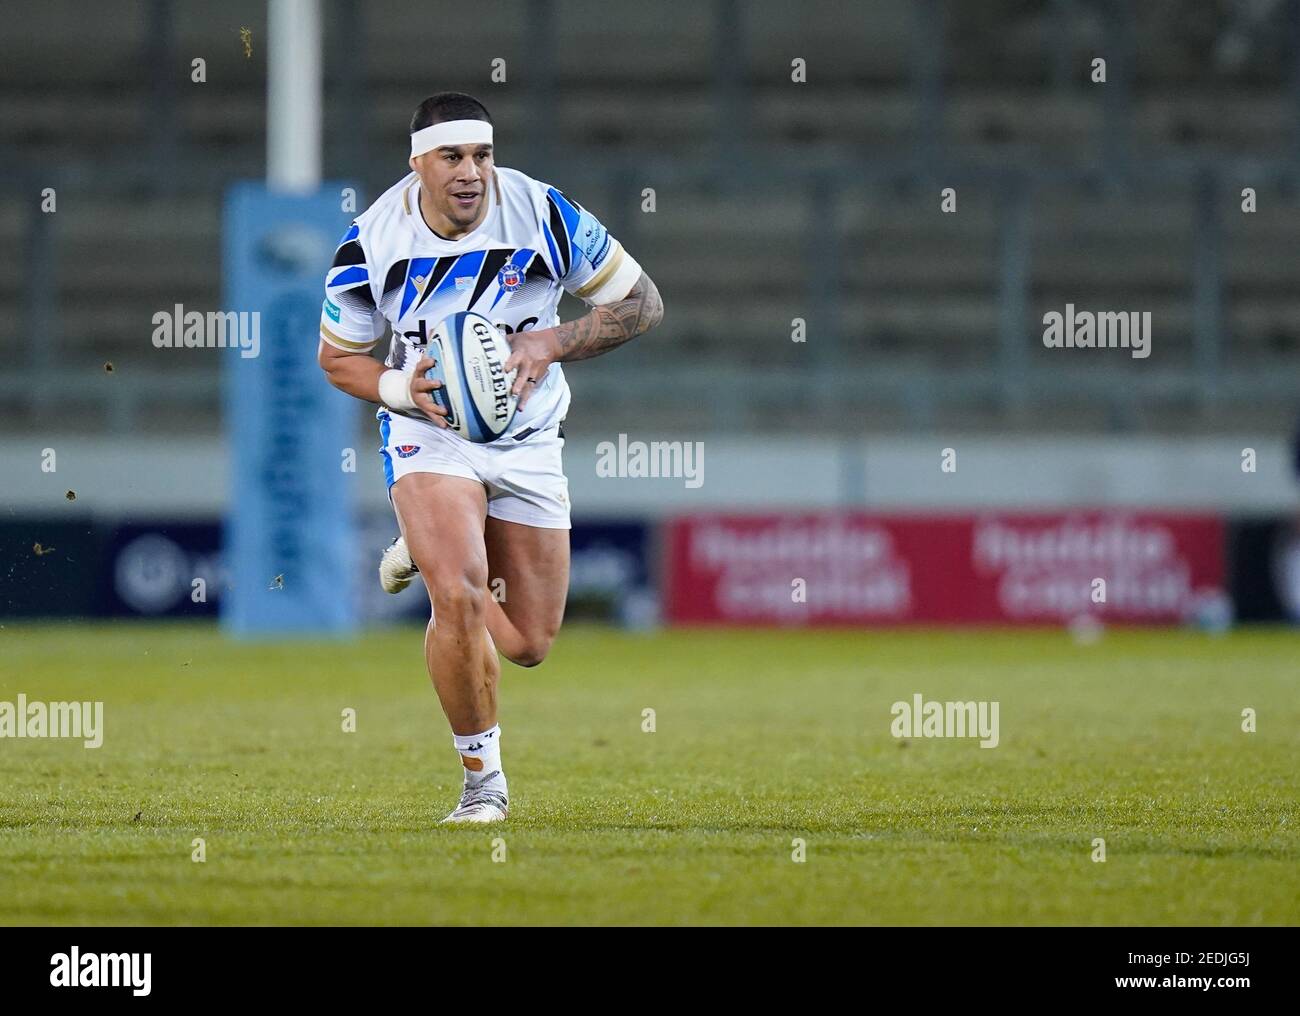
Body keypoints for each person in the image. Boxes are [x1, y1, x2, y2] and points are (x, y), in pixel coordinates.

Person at [316, 92, 664, 822]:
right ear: (419, 165)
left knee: (531, 643)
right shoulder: (371, 241)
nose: (471, 172)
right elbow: (337, 358)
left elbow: (644, 305)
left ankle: (428, 547)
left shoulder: (544, 213)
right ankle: (483, 786)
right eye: (452, 157)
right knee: (460, 595)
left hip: (531, 435)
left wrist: (547, 342)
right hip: (429, 431)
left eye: (482, 154)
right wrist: (398, 388)